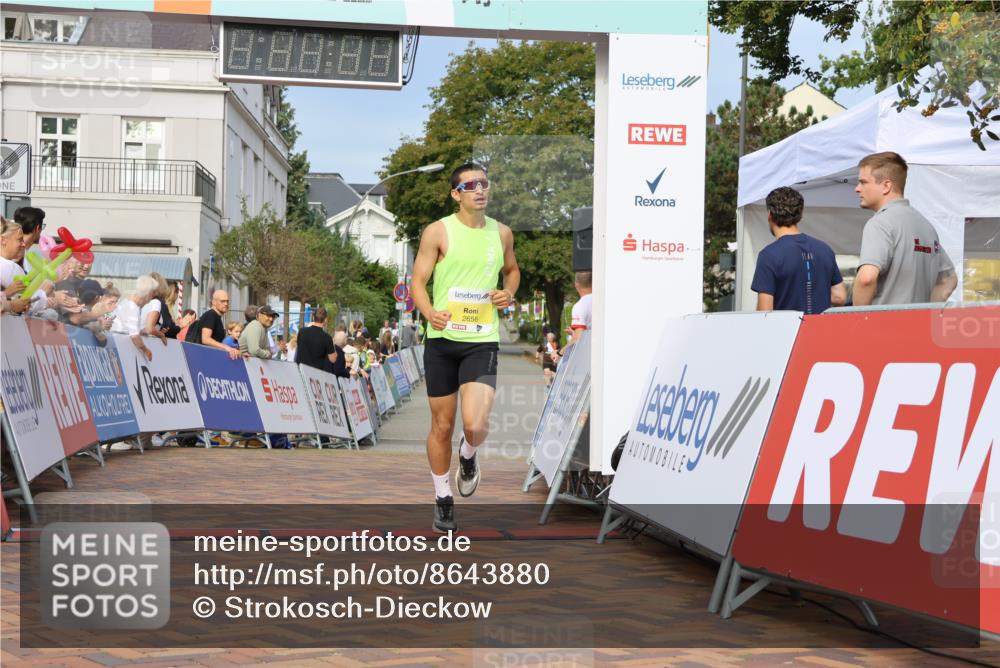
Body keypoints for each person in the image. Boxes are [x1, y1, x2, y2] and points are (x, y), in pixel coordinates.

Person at [411, 162, 520, 532]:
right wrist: (429, 313)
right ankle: (442, 496)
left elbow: (512, 270)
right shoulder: (438, 231)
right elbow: (418, 282)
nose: (480, 190)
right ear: (456, 194)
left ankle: (469, 454)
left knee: (475, 424)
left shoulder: (501, 233)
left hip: (481, 339)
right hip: (442, 340)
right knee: (441, 426)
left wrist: (509, 293)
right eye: (471, 185)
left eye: (485, 184)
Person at [854, 151, 957, 306]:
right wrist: (926, 310)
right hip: (918, 326)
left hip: (883, 326)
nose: (857, 188)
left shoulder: (880, 223)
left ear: (886, 186)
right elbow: (949, 280)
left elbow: (866, 278)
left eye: (863, 182)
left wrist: (857, 320)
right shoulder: (926, 226)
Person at [751, 187, 846, 313]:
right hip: (820, 330)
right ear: (800, 216)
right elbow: (840, 297)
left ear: (769, 215)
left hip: (787, 331)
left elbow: (764, 312)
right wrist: (812, 293)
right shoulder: (824, 249)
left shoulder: (768, 255)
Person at [109, 275, 160, 361]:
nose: (152, 297)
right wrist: (145, 350)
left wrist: (142, 331)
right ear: (148, 294)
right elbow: (134, 336)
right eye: (153, 293)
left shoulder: (128, 301)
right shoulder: (133, 307)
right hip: (118, 347)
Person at [186, 289, 241, 360]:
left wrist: (239, 352)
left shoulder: (215, 316)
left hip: (207, 358)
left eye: (227, 301)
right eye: (222, 301)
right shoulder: (211, 315)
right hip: (203, 359)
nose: (226, 304)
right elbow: (205, 339)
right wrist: (226, 347)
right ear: (214, 302)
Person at [296, 307, 338, 371]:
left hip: (300, 370)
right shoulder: (327, 338)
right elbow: (333, 359)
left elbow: (299, 347)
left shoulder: (302, 331)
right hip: (315, 374)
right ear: (325, 320)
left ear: (313, 318)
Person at [566, 271, 592, 345]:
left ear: (576, 284)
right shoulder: (602, 300)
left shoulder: (580, 306)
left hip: (588, 351)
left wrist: (559, 353)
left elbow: (577, 339)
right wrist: (574, 332)